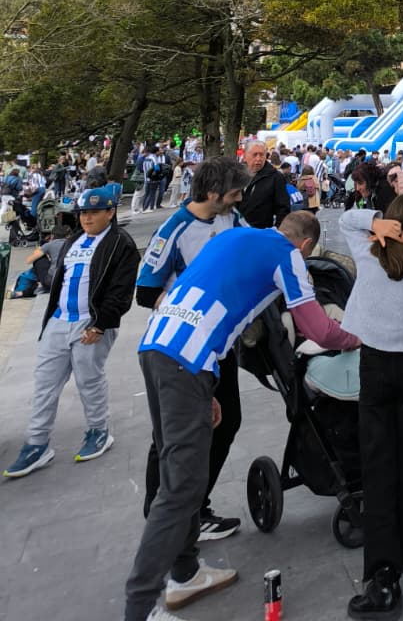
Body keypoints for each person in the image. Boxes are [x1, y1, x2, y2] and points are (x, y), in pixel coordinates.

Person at [123, 212, 358, 621]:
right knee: (179, 488)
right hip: (187, 361)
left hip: (159, 346)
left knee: (181, 474)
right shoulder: (289, 256)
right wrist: (357, 337)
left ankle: (186, 571)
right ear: (306, 246)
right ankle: (140, 608)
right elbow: (317, 329)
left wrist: (207, 385)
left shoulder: (231, 237)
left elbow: (206, 294)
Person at [136, 158, 250, 542]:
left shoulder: (231, 218)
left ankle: (195, 509)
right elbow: (146, 292)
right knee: (172, 435)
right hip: (182, 349)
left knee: (227, 421)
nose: (238, 200)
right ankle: (162, 519)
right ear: (214, 193)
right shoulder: (174, 230)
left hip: (220, 343)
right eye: (233, 194)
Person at [340, 191, 403, 619]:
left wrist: (376, 221)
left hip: (375, 367)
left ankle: (382, 575)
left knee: (378, 468)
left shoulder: (367, 254)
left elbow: (345, 218)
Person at [3, 189, 139, 479]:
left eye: (94, 212)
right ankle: (37, 443)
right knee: (44, 383)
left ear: (110, 212)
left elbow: (121, 290)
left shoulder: (119, 244)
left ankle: (99, 431)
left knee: (89, 380)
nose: (87, 217)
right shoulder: (74, 240)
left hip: (90, 324)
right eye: (83, 213)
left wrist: (100, 323)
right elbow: (59, 279)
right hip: (59, 320)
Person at [238, 141, 291, 229]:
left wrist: (277, 231)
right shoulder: (237, 175)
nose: (258, 159)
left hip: (262, 230)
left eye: (262, 155)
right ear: (245, 156)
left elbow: (283, 209)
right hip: (237, 229)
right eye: (254, 155)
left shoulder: (275, 177)